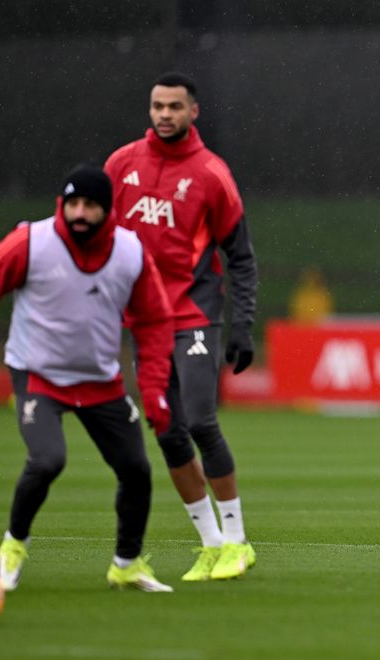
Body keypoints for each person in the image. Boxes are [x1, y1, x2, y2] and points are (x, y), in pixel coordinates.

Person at [0, 165, 175, 592]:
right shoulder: (32, 242)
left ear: (108, 210)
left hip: (101, 381)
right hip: (38, 374)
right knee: (47, 461)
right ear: (62, 204)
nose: (79, 213)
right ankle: (13, 548)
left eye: (90, 205)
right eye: (72, 203)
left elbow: (154, 322)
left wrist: (154, 391)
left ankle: (126, 564)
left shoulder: (130, 252)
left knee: (136, 469)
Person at [104, 72, 258, 582]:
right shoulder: (121, 165)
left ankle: (237, 543)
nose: (164, 114)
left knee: (198, 421)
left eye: (174, 106)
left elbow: (241, 256)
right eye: (157, 105)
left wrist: (242, 326)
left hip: (194, 314)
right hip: (142, 322)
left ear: (194, 111)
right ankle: (211, 545)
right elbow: (97, 243)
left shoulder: (212, 173)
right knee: (167, 431)